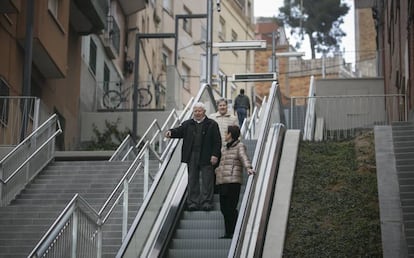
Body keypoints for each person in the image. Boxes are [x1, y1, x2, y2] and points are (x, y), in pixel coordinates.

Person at [165, 102, 222, 211]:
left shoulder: (212, 124)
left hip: (207, 155)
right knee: (192, 180)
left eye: (199, 111)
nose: (197, 113)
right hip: (192, 155)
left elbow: (217, 142)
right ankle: (193, 203)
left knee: (207, 180)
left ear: (204, 112)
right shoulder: (187, 124)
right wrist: (170, 132)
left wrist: (215, 155)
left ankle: (207, 203)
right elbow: (179, 131)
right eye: (195, 111)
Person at [215, 125, 255, 239]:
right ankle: (228, 233)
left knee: (231, 208)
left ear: (231, 134)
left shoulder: (239, 146)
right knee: (224, 208)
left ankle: (235, 232)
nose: (225, 135)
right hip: (223, 182)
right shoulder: (224, 148)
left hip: (233, 182)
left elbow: (244, 157)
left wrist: (248, 167)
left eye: (226, 133)